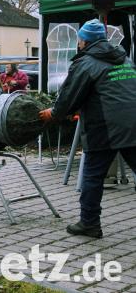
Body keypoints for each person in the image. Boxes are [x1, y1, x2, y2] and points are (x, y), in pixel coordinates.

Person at [39, 19, 136, 238]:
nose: (78, 43)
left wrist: (53, 114)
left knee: (92, 175)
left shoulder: (86, 63)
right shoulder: (125, 59)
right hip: (133, 123)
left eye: (80, 39)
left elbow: (68, 97)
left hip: (106, 127)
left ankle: (89, 223)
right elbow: (114, 91)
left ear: (84, 41)